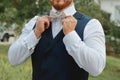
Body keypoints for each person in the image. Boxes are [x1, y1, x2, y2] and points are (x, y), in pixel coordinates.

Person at [8, 0, 106, 80]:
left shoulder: (91, 25)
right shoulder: (35, 22)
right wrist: (35, 33)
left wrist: (71, 35)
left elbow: (96, 68)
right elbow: (13, 59)